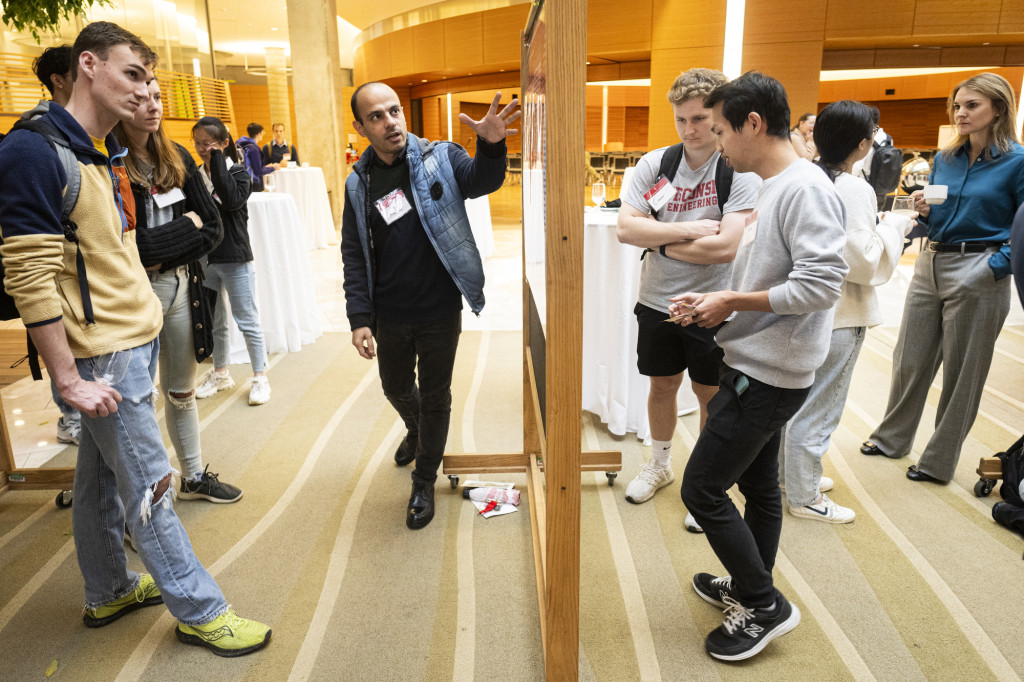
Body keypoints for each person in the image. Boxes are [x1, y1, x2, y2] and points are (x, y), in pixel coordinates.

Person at [0, 21, 269, 656]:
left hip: (130, 338)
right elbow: (29, 275)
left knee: (97, 482)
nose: (144, 88)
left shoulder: (102, 149)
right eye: (132, 74)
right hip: (102, 355)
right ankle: (201, 609)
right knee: (151, 486)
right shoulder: (34, 150)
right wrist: (67, 379)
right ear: (87, 65)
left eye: (149, 78)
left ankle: (109, 590)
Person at [671, 71, 847, 661]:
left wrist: (730, 303)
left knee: (701, 488)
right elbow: (771, 275)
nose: (715, 142)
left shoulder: (804, 188)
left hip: (771, 374)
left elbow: (821, 284)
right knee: (757, 486)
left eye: (720, 129)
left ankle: (764, 604)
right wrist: (716, 305)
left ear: (752, 123)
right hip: (761, 360)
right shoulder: (773, 184)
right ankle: (755, 585)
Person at [341, 82, 518, 530]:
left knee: (436, 396)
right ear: (361, 127)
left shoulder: (441, 155)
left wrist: (491, 146)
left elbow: (482, 180)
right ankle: (418, 432)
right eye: (377, 116)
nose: (390, 122)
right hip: (389, 311)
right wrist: (360, 317)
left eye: (394, 111)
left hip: (439, 307)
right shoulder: (358, 183)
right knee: (395, 387)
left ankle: (424, 478)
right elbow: (354, 251)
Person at [861, 73, 1024, 482]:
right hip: (930, 263)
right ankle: (892, 438)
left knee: (962, 373)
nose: (961, 112)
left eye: (972, 105)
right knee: (909, 359)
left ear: (999, 109)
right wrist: (926, 211)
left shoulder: (1018, 161)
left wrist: (995, 266)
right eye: (957, 105)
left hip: (980, 268)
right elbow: (939, 214)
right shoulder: (946, 159)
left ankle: (938, 460)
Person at [615, 68, 759, 509]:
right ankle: (659, 464)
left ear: (719, 115)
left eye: (699, 119)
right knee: (661, 386)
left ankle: (706, 482)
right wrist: (692, 229)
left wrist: (660, 239)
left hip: (713, 306)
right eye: (681, 119)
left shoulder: (738, 171)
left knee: (710, 394)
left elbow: (724, 249)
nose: (690, 129)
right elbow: (624, 229)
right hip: (657, 300)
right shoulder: (656, 164)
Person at [779, 100, 913, 524]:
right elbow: (861, 261)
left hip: (798, 308)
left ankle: (790, 476)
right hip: (839, 312)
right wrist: (895, 226)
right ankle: (803, 496)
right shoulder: (852, 188)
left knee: (796, 401)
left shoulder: (801, 176)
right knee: (821, 405)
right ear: (862, 144)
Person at [113, 78, 243, 503]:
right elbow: (128, 247)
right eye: (141, 99)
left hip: (179, 287)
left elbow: (214, 227)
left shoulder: (178, 156)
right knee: (133, 400)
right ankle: (140, 493)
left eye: (156, 98)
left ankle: (192, 476)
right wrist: (185, 227)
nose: (153, 107)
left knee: (182, 389)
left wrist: (162, 247)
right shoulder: (109, 161)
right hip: (132, 293)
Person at [192, 116, 271, 406]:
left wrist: (218, 162)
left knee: (247, 320)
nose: (201, 149)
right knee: (216, 321)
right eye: (198, 143)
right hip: (206, 259)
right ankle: (220, 372)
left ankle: (260, 376)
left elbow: (231, 199)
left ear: (225, 143)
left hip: (235, 257)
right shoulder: (195, 175)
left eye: (208, 144)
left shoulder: (238, 175)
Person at [28, 44, 82, 445]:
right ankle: (69, 414)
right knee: (58, 331)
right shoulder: (38, 135)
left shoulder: (84, 128)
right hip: (58, 263)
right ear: (58, 81)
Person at [236, 122, 276, 191]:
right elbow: (258, 171)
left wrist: (266, 167)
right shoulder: (254, 149)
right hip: (253, 183)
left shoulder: (244, 145)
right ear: (258, 134)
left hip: (244, 180)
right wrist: (273, 168)